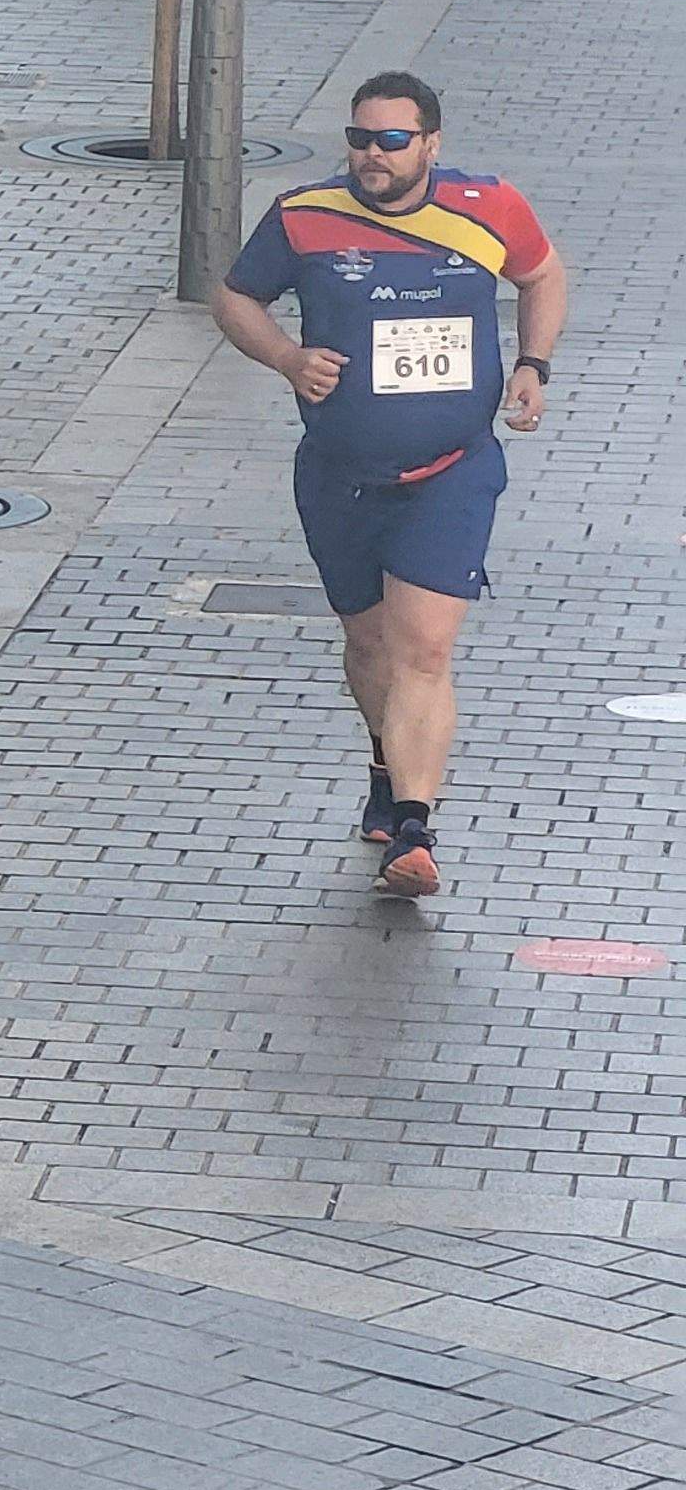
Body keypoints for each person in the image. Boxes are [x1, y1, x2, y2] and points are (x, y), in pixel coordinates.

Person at [210, 73, 570, 898]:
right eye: (362, 139)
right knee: (369, 645)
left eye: (392, 141)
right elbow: (234, 298)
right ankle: (385, 762)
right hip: (340, 477)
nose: (373, 155)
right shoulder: (306, 215)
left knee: (425, 648)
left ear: (431, 145)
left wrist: (533, 365)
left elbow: (544, 274)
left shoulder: (488, 206)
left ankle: (414, 829)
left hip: (453, 473)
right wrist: (286, 359)